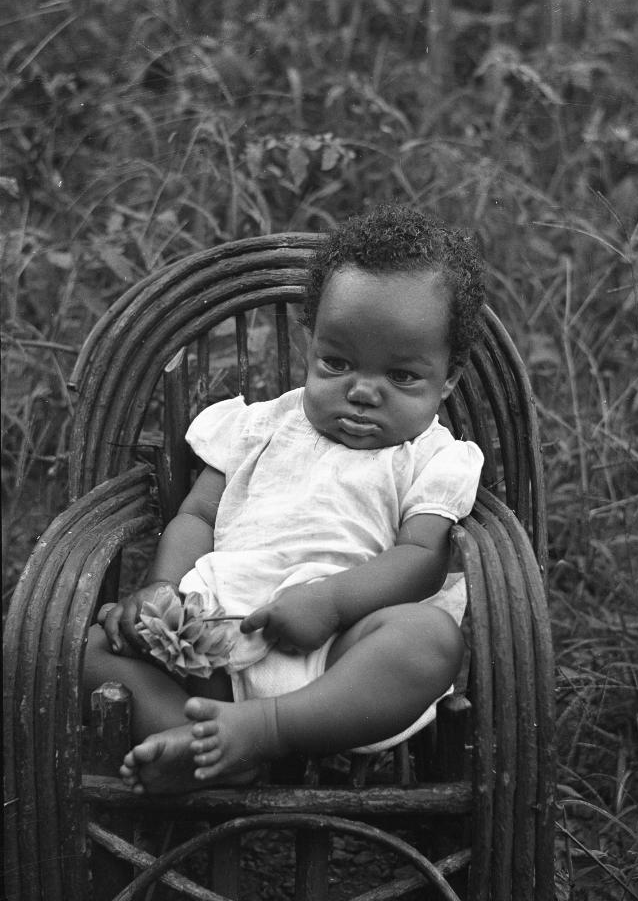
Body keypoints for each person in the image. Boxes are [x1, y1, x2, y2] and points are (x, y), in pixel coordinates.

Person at [83, 203, 485, 794]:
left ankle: (265, 729)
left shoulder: (433, 456)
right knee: (88, 648)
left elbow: (422, 557)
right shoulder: (257, 427)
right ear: (309, 345)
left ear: (448, 379)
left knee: (431, 642)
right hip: (211, 639)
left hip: (340, 656)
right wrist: (165, 588)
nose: (363, 392)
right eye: (337, 362)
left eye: (402, 377)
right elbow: (197, 513)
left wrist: (332, 602)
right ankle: (204, 740)